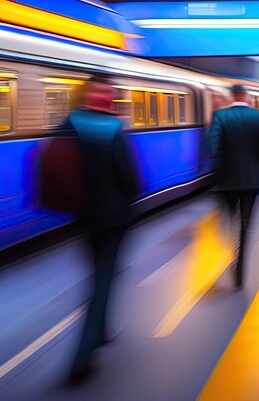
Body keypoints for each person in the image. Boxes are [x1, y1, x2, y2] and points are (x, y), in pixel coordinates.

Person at [69, 78, 138, 382]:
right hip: (113, 217)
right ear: (102, 98)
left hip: (84, 216)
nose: (109, 98)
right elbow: (129, 177)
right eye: (107, 93)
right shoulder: (112, 129)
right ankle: (81, 360)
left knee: (98, 273)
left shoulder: (69, 124)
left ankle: (104, 329)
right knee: (104, 279)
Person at [209, 85, 259, 289]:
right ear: (245, 96)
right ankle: (240, 269)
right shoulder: (258, 116)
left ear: (232, 96)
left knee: (229, 219)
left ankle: (232, 251)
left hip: (227, 180)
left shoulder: (220, 116)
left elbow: (213, 148)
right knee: (245, 223)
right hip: (251, 179)